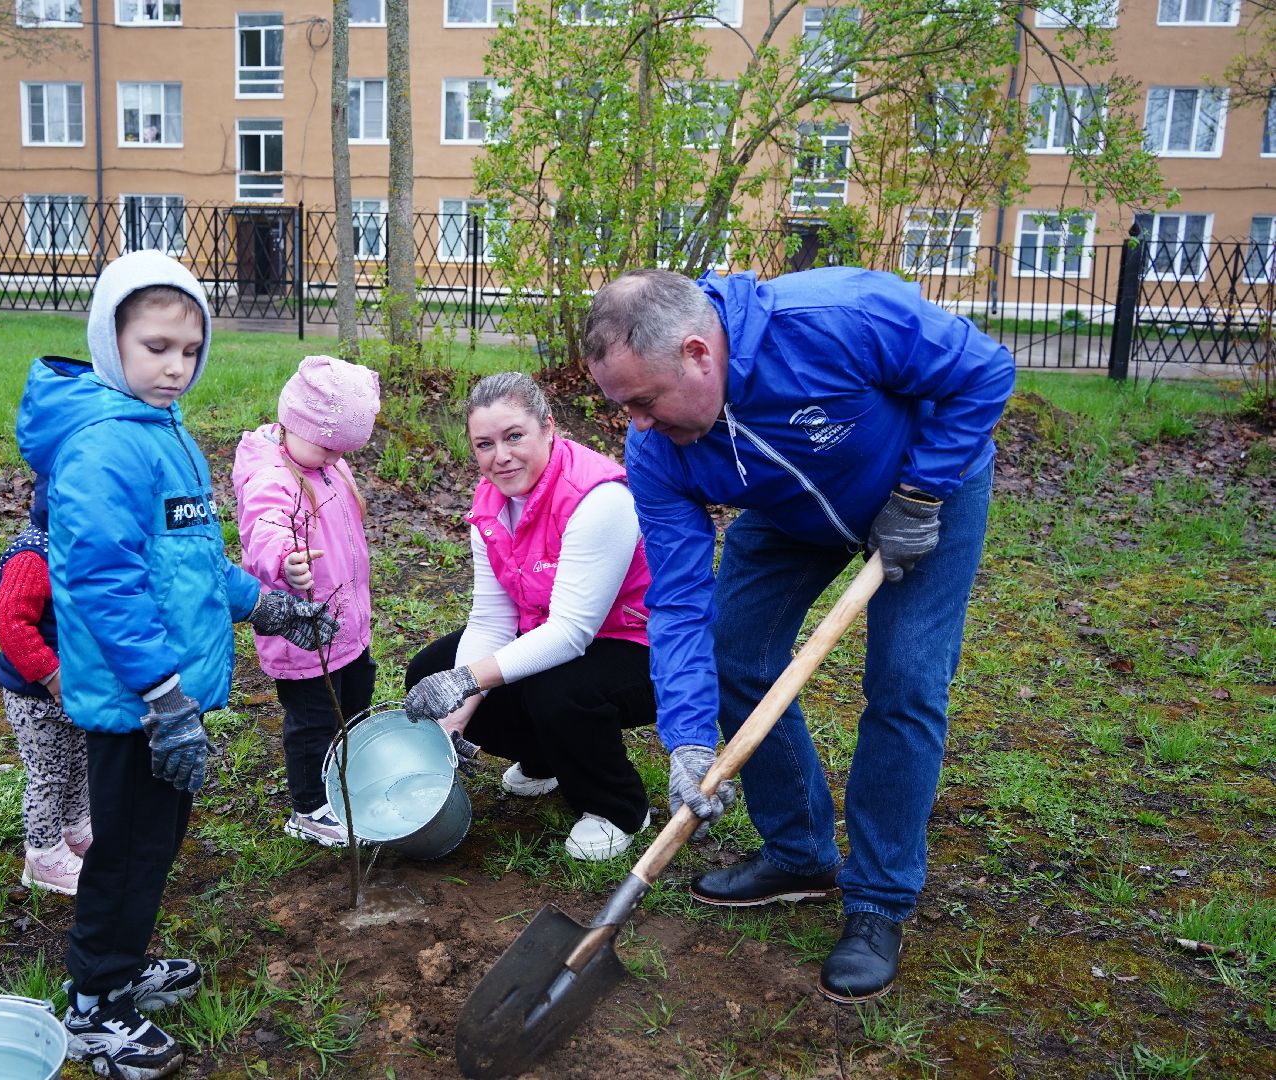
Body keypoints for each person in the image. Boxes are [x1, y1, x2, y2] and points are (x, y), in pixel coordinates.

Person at [582, 266, 1014, 1004]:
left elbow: (984, 372)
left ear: (697, 353)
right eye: (624, 407)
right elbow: (680, 604)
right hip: (793, 514)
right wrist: (687, 740)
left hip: (926, 485)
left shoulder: (837, 317)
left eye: (645, 400)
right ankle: (799, 851)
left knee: (906, 680)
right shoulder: (657, 452)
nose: (639, 424)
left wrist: (917, 494)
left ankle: (878, 900)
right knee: (733, 653)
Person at [15, 249, 339, 1079]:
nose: (176, 367)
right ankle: (94, 1006)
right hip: (136, 703)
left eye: (190, 350)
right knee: (124, 852)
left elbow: (190, 562)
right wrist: (164, 698)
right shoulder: (102, 449)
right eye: (156, 346)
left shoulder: (160, 434)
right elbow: (105, 586)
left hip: (166, 698)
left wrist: (264, 603)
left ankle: (118, 970)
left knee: (150, 848)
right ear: (108, 340)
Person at [403, 372, 657, 861]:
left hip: (643, 645)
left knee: (556, 687)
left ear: (548, 427)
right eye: (484, 444)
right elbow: (491, 621)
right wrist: (453, 722)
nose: (501, 456)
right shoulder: (491, 506)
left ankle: (618, 806)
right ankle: (547, 759)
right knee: (433, 668)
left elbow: (570, 635)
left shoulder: (598, 498)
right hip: (559, 633)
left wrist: (469, 680)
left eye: (514, 435)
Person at [232, 354, 381, 848]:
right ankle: (310, 807)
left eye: (343, 451)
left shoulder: (325, 465)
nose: (336, 459)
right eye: (328, 448)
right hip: (304, 634)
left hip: (347, 623)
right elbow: (265, 525)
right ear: (297, 422)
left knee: (354, 700)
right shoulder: (272, 476)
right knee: (314, 719)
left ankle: (342, 777)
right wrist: (285, 559)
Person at [0, 470, 90, 896]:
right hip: (35, 694)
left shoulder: (78, 549)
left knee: (80, 763)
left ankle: (76, 828)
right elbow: (9, 621)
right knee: (48, 773)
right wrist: (50, 674)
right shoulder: (33, 556)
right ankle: (43, 855)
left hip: (75, 690)